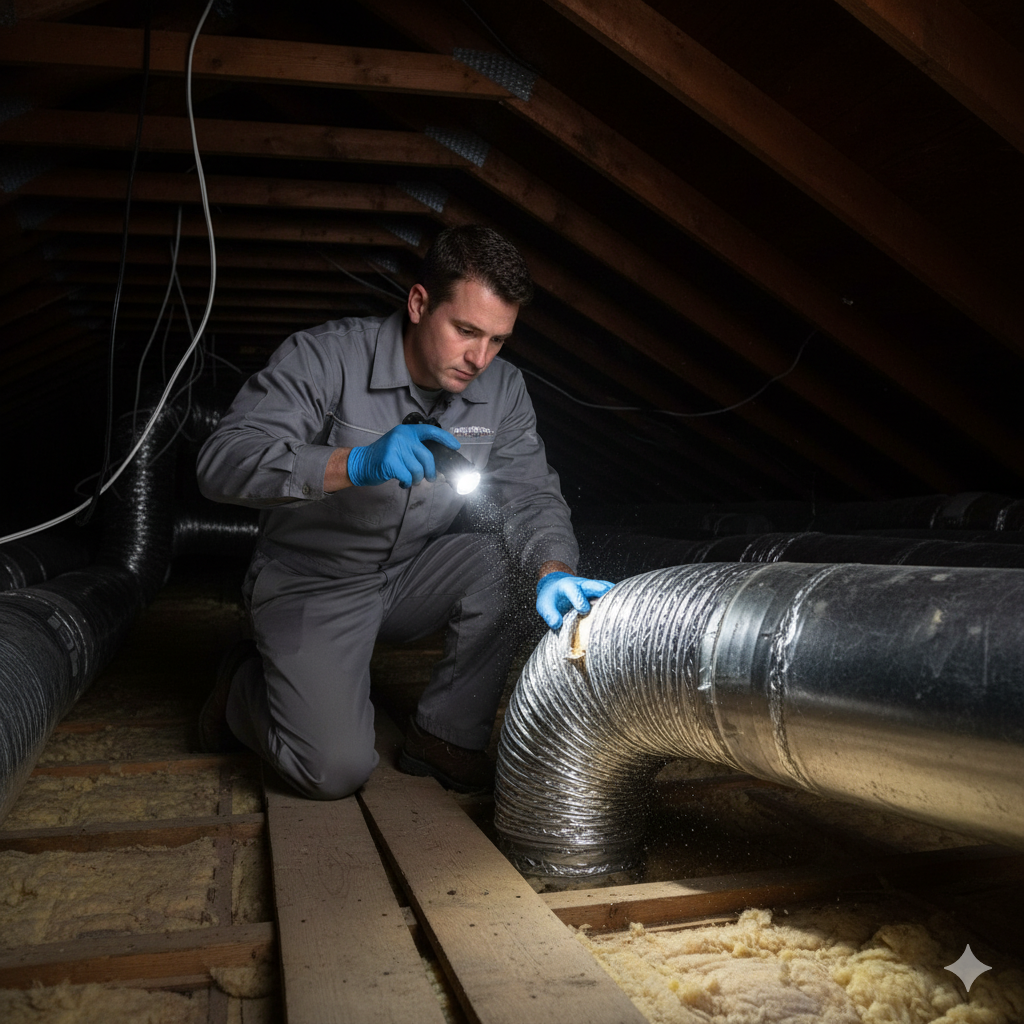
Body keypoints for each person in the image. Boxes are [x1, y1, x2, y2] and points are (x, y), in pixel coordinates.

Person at [196, 225, 612, 798]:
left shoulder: (504, 391)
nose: (479, 358)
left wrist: (553, 569)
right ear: (419, 304)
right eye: (466, 330)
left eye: (497, 340)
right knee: (333, 770)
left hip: (405, 575)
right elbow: (222, 461)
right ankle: (241, 686)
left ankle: (446, 737)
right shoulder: (324, 357)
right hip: (311, 580)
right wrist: (355, 463)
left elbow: (531, 496)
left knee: (511, 559)